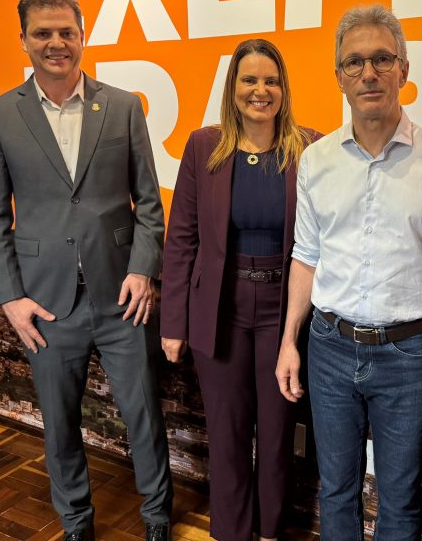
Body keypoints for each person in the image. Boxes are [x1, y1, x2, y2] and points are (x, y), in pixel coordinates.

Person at [0, 0, 173, 541]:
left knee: (144, 416)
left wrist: (143, 269)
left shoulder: (124, 105)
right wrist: (10, 299)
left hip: (122, 297)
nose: (56, 42)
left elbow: (148, 203)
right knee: (60, 424)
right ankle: (76, 523)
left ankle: (158, 517)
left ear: (83, 37)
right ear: (23, 40)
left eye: (67, 31)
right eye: (43, 33)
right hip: (45, 303)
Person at [275, 5, 422, 538]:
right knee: (335, 489)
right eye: (355, 62)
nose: (369, 73)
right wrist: (290, 341)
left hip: (408, 355)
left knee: (400, 496)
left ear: (403, 70)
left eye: (382, 59)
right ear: (339, 76)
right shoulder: (316, 160)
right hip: (329, 347)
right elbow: (306, 255)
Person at [161, 39, 318, 541]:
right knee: (226, 433)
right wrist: (173, 323)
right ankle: (229, 532)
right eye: (249, 80)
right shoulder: (203, 146)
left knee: (277, 434)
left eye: (271, 80)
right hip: (220, 309)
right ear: (233, 88)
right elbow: (181, 238)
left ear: (283, 89)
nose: (260, 90)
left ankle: (269, 532)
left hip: (284, 311)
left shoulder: (309, 148)